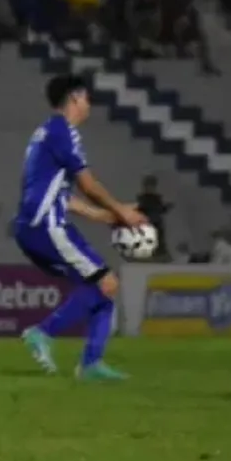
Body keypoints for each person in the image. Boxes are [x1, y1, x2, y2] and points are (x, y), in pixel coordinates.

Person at [14, 75, 147, 381]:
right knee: (105, 283)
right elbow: (87, 184)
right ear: (75, 97)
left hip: (33, 226)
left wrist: (106, 216)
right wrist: (121, 210)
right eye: (87, 99)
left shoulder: (44, 133)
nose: (88, 106)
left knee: (104, 287)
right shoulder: (64, 131)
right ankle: (44, 334)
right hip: (46, 226)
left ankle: (92, 364)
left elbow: (64, 195)